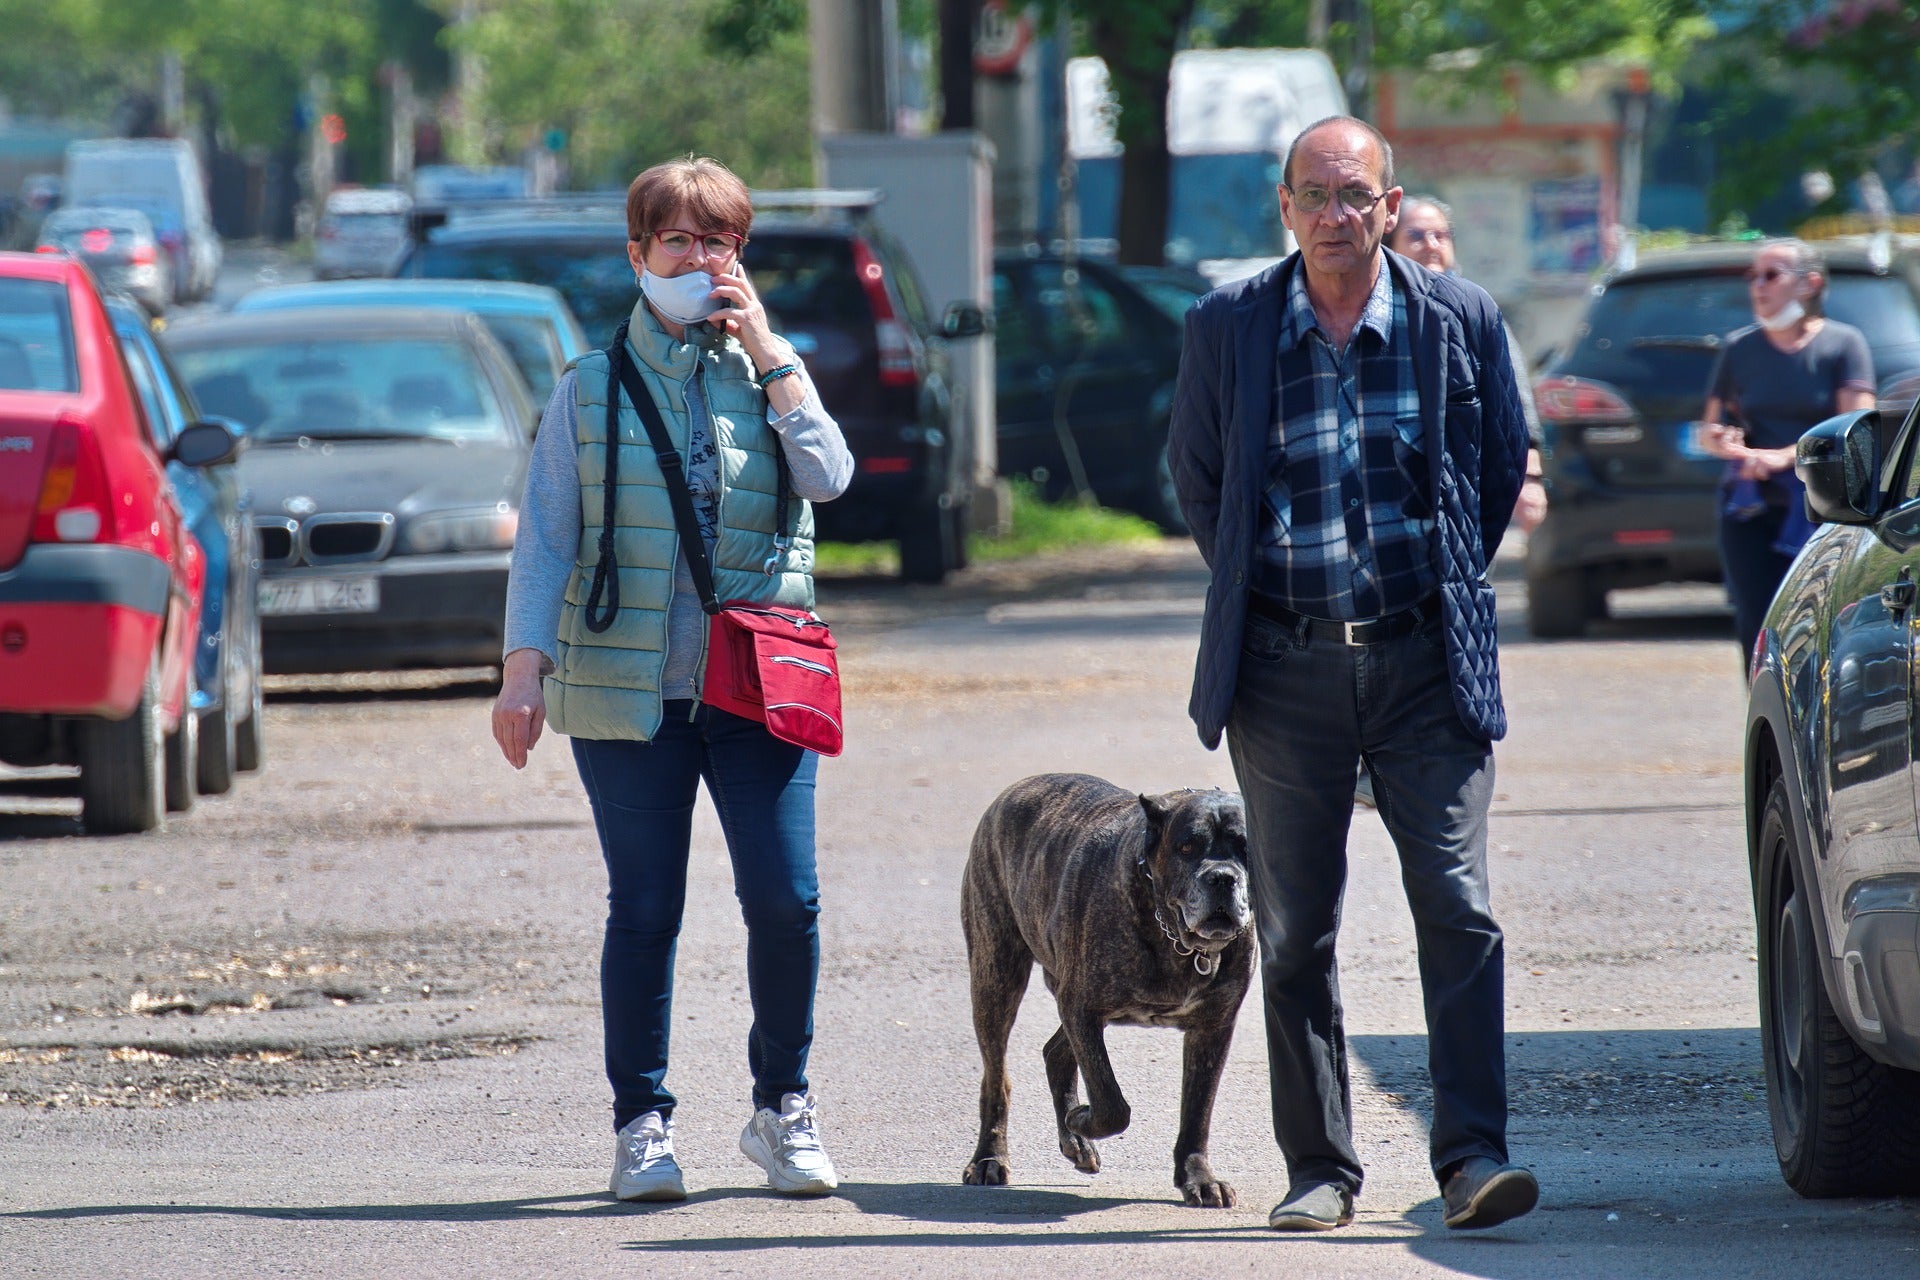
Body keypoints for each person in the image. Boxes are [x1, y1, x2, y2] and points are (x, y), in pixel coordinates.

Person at [1167, 116, 1537, 1232]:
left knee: (1458, 909)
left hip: (1428, 660)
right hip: (1284, 671)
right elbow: (1198, 477)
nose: (1337, 215)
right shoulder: (1228, 322)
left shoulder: (1457, 317)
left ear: (1390, 202)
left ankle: (1472, 1157)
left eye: (1356, 195)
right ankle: (1319, 1167)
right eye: (1315, 196)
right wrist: (1274, 602)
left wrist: (1436, 595)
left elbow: (1500, 458)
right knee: (1294, 926)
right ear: (1285, 208)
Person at [490, 156, 854, 1202]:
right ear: (639, 256)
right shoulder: (589, 387)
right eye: (681, 241)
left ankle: (782, 1104)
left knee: (787, 901)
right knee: (645, 906)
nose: (703, 259)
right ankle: (641, 1125)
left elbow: (828, 478)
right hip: (628, 690)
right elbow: (546, 540)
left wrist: (773, 355)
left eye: (722, 240)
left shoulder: (771, 372)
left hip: (758, 687)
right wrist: (523, 672)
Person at [1698, 238, 1874, 666]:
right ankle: (1765, 725)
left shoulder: (1843, 345)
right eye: (1753, 277)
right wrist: (1723, 442)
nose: (1758, 286)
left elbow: (1856, 431)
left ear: (1809, 283)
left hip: (1823, 513)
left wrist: (1783, 457)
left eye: (1771, 275)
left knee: (1820, 629)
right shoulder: (1739, 349)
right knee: (1756, 629)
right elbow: (1707, 429)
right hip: (1752, 512)